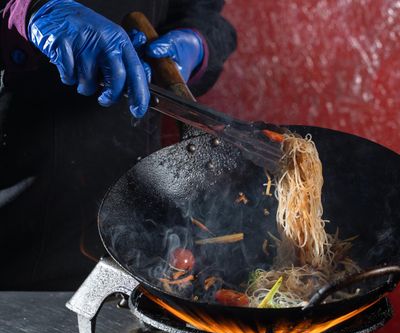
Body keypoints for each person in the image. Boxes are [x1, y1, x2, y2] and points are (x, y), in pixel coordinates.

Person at [0, 0, 236, 290]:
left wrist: (197, 42)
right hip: (16, 195)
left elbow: (202, 9)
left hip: (127, 203)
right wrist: (26, 11)